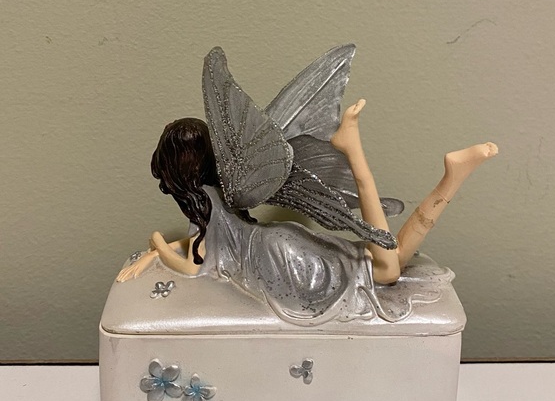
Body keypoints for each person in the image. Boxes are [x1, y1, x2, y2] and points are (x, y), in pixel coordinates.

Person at [117, 100, 497, 323]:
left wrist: (157, 243)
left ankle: (356, 149)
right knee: (386, 262)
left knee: (386, 268)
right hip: (277, 243)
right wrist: (158, 252)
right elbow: (203, 244)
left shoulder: (203, 199)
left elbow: (195, 267)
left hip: (277, 258)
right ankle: (452, 179)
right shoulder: (218, 188)